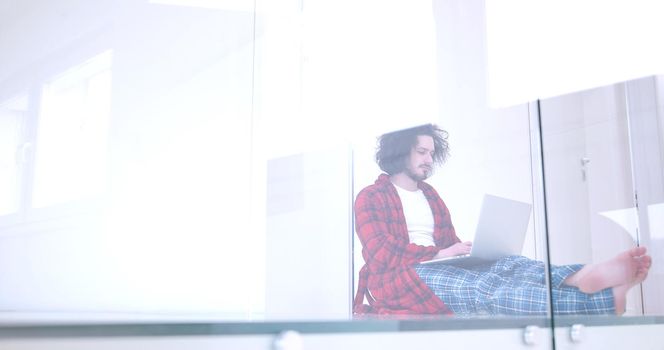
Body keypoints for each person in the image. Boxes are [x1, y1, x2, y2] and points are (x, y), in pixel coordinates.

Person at [353, 124, 652, 316]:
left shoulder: (430, 195)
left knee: (511, 265)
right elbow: (381, 253)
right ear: (400, 151)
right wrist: (440, 254)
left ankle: (581, 275)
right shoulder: (371, 196)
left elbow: (446, 244)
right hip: (397, 279)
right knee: (484, 289)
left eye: (432, 153)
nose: (429, 159)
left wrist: (467, 252)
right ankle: (600, 301)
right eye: (422, 152)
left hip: (434, 266)